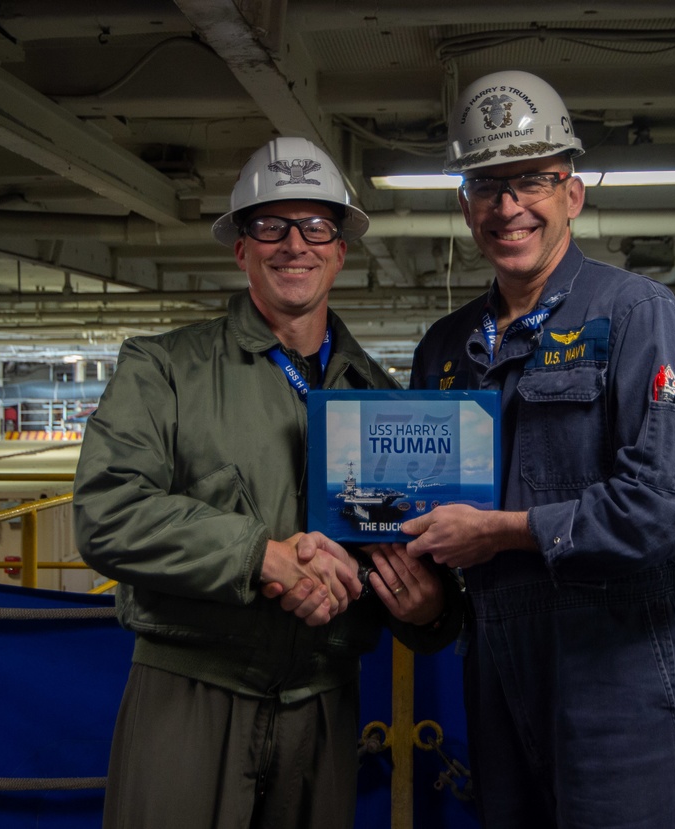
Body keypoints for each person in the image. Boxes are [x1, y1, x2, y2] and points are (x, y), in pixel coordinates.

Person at [73, 136, 461, 829]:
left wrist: (427, 606)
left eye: (316, 226)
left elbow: (410, 566)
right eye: (270, 225)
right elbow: (108, 514)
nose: (294, 244)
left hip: (322, 703)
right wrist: (262, 555)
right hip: (190, 691)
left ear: (340, 249)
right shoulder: (164, 370)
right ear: (240, 247)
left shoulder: (381, 399)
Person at [401, 70, 675, 828]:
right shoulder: (444, 349)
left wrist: (506, 531)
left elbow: (668, 507)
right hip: (498, 677)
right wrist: (422, 604)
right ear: (464, 204)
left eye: (532, 180)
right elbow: (421, 520)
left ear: (571, 193)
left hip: (621, 680)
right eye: (487, 184)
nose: (509, 206)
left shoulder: (639, 316)